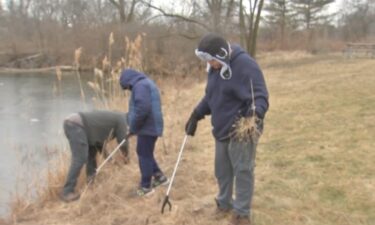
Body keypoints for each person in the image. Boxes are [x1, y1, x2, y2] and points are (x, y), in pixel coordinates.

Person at [185, 33, 269, 225]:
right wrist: (196, 114)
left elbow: (260, 95)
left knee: (242, 169)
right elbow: (211, 96)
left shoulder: (245, 65)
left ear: (221, 54)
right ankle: (224, 203)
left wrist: (254, 117)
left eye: (212, 59)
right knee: (222, 169)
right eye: (207, 60)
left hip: (243, 127)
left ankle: (241, 214)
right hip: (222, 127)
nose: (210, 64)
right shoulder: (215, 69)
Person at [61, 110, 129, 202]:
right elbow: (123, 143)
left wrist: (110, 160)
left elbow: (99, 145)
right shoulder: (122, 120)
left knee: (91, 155)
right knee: (80, 158)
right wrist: (126, 159)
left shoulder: (117, 118)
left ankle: (90, 183)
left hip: (78, 125)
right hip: (76, 125)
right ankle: (67, 192)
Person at [120, 68, 168, 197]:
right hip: (151, 126)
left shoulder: (140, 86)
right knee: (145, 152)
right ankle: (160, 177)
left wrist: (133, 128)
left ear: (129, 80)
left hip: (148, 127)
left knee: (144, 155)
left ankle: (145, 187)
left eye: (127, 87)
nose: (129, 89)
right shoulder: (145, 83)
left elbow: (142, 109)